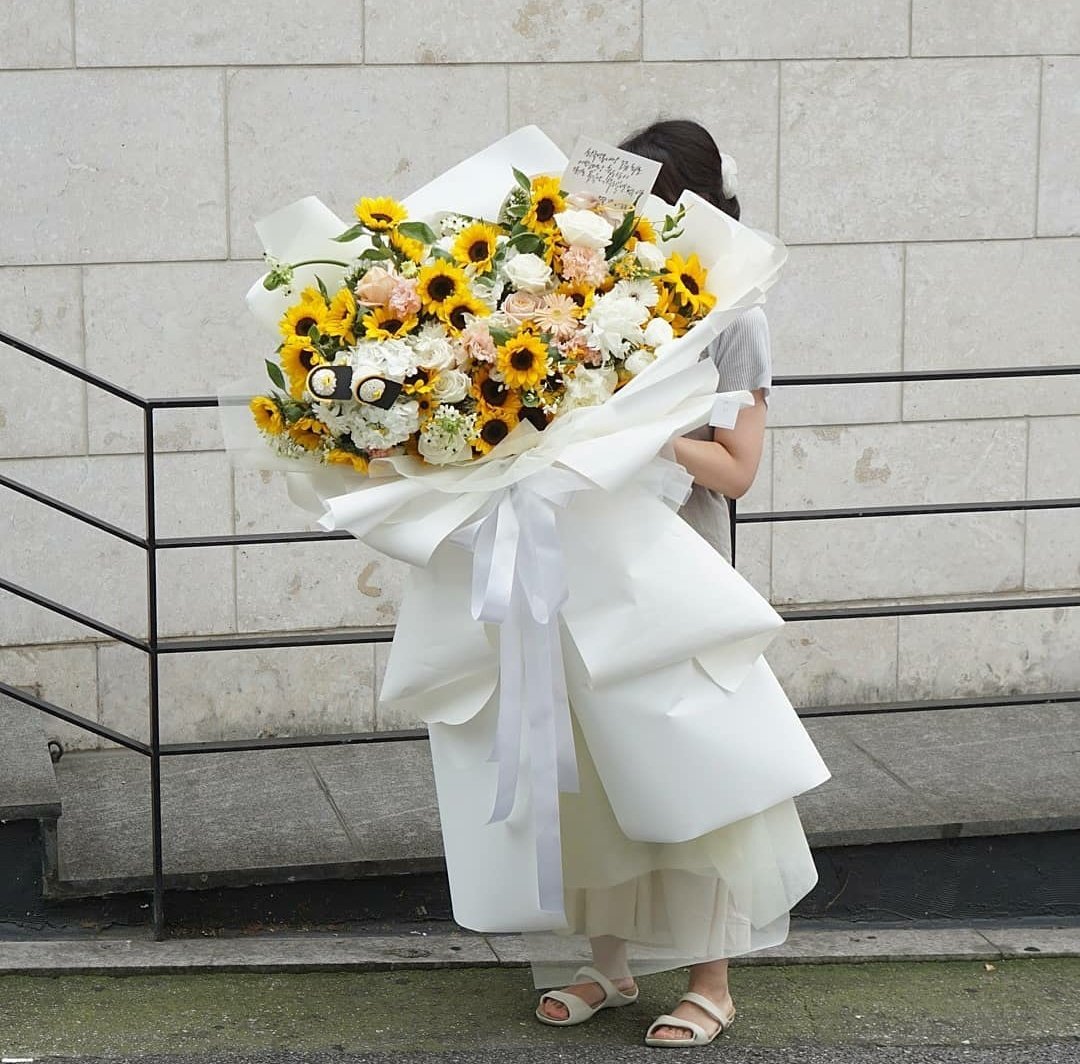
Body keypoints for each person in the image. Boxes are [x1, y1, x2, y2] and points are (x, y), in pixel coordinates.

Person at [528, 119, 818, 1047]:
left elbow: (735, 471)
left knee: (695, 766)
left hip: (679, 575)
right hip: (585, 567)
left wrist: (640, 434)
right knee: (596, 776)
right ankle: (607, 964)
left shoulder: (738, 314)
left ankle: (712, 982)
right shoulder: (588, 295)